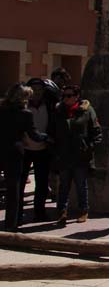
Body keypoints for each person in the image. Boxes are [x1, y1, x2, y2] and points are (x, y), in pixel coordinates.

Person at [1, 84, 47, 231]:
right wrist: (48, 137)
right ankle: (10, 224)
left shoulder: (2, 109)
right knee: (13, 189)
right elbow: (34, 135)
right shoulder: (25, 114)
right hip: (14, 150)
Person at [53, 85, 101, 225]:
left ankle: (83, 210)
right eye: (64, 96)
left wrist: (90, 146)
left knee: (81, 184)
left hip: (80, 154)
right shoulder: (58, 110)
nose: (66, 98)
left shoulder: (86, 111)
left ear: (76, 96)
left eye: (69, 95)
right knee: (63, 185)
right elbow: (52, 129)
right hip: (63, 154)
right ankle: (61, 212)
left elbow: (96, 130)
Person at [22, 78, 58, 223]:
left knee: (42, 183)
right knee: (20, 183)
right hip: (24, 149)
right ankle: (16, 214)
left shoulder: (49, 107)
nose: (37, 93)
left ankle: (39, 212)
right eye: (34, 90)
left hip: (43, 149)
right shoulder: (22, 107)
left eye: (40, 90)